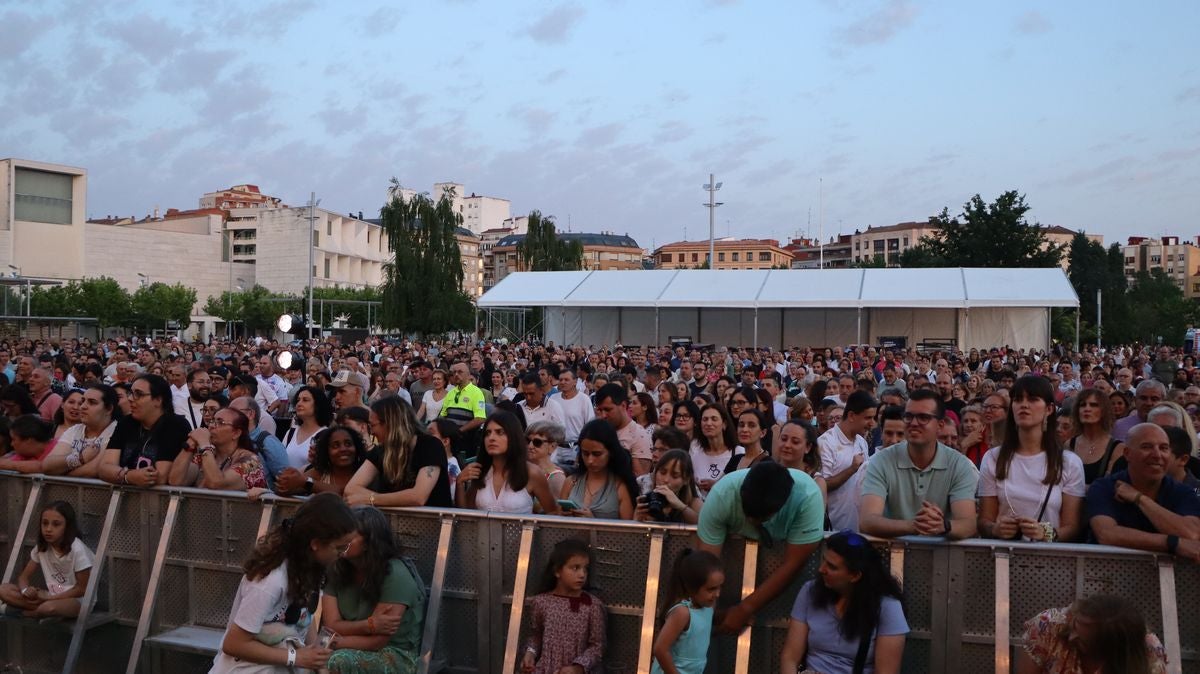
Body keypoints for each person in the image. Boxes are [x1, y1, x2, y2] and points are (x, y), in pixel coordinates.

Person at [209, 493, 355, 673]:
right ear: (316, 543)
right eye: (340, 547)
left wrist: (319, 662)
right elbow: (234, 644)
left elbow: (304, 617)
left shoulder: (310, 567)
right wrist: (296, 657)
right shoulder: (270, 581)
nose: (344, 553)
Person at [696, 462, 824, 634]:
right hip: (731, 575)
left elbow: (793, 565)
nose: (750, 521)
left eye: (760, 517)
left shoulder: (808, 497)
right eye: (746, 513)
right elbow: (706, 566)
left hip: (785, 595)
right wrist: (706, 619)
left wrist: (744, 609)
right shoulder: (722, 495)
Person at [778, 531, 908, 674]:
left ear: (855, 576)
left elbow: (886, 671)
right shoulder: (810, 591)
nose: (821, 569)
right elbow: (790, 657)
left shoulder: (887, 606)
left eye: (832, 567)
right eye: (824, 560)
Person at [858, 389, 979, 539]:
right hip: (893, 550)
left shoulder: (959, 464)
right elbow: (867, 521)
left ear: (940, 425)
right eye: (908, 417)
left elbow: (968, 524)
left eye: (923, 417)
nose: (914, 423)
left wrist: (943, 526)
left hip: (941, 551)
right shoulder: (881, 461)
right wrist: (915, 526)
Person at [978, 376, 1086, 543]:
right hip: (1003, 553)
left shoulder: (1069, 463)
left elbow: (1072, 527)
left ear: (1049, 409)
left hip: (1049, 555)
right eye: (1018, 399)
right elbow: (985, 520)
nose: (1024, 405)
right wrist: (995, 529)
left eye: (1033, 399)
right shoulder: (993, 458)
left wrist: (1045, 533)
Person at [322, 507, 426, 674]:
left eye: (349, 535)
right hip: (345, 644)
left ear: (369, 542)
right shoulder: (337, 567)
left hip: (395, 653)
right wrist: (370, 625)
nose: (341, 539)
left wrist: (334, 643)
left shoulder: (395, 573)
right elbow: (331, 625)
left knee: (335, 660)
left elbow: (377, 641)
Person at [1085, 422, 1200, 559]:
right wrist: (1172, 542)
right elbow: (1107, 534)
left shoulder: (1183, 492)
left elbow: (1191, 534)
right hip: (1107, 570)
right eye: (1147, 447)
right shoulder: (1104, 487)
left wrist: (1140, 499)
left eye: (1164, 448)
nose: (1157, 454)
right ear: (1127, 453)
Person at [1017, 594, 1167, 674]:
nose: (1071, 637)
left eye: (1083, 641)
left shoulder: (1150, 653)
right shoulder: (1048, 626)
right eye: (1074, 625)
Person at [344, 396, 452, 508]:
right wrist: (386, 499)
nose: (371, 432)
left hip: (431, 518)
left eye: (373, 425)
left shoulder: (430, 446)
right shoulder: (380, 450)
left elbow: (418, 497)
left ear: (390, 423)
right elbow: (350, 490)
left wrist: (370, 499)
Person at [521, 539, 606, 674]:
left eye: (585, 569)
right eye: (575, 568)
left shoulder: (592, 605)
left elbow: (597, 646)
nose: (582, 574)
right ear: (557, 571)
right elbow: (536, 635)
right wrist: (530, 653)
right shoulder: (541, 602)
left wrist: (577, 668)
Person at [0, 501, 94, 618]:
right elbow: (23, 577)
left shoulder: (77, 549)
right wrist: (26, 591)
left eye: (56, 524)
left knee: (48, 608)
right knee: (3, 590)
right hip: (49, 596)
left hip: (76, 600)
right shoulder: (42, 547)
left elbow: (82, 589)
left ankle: (21, 612)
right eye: (45, 523)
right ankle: (41, 613)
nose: (48, 529)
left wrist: (48, 598)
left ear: (67, 526)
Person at [456, 410, 559, 514]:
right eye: (488, 433)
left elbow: (552, 514)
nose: (491, 438)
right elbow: (466, 515)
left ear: (513, 436)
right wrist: (459, 483)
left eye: (500, 432)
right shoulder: (480, 471)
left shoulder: (532, 473)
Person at [98, 374, 190, 487]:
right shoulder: (126, 423)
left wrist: (119, 474)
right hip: (123, 496)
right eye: (131, 393)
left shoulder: (176, 425)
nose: (130, 398)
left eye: (138, 394)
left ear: (158, 400)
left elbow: (160, 476)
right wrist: (128, 476)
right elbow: (104, 468)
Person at [650, 550, 723, 674]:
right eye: (711, 589)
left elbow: (702, 625)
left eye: (720, 587)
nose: (717, 594)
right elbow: (660, 649)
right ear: (691, 587)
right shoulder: (682, 613)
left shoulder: (708, 606)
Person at [818, 391, 878, 532]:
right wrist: (851, 469)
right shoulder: (825, 442)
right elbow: (821, 485)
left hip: (860, 529)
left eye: (873, 418)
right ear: (851, 415)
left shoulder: (861, 442)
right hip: (834, 530)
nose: (872, 423)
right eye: (868, 418)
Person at [170, 408, 268, 491]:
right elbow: (175, 481)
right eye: (212, 421)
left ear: (236, 433)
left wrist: (205, 445)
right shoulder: (203, 455)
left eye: (220, 422)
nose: (211, 426)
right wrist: (190, 444)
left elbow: (216, 483)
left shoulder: (251, 463)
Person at [560, 419, 639, 520]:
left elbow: (627, 527)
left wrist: (593, 522)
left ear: (610, 452)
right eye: (585, 453)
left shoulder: (620, 487)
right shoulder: (571, 482)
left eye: (597, 454)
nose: (590, 460)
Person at [263, 426, 368, 500]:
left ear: (357, 447)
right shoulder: (319, 472)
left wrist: (305, 482)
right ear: (326, 452)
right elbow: (281, 490)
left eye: (348, 444)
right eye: (335, 446)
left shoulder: (365, 471)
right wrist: (288, 480)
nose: (343, 449)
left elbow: (344, 492)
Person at [43, 384, 120, 478]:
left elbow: (93, 470)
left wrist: (62, 473)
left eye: (92, 402)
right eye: (83, 401)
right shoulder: (75, 430)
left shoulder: (116, 430)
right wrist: (80, 458)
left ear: (109, 409)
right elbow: (47, 465)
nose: (83, 406)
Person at [592, 383, 653, 476]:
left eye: (608, 410)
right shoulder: (597, 431)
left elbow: (640, 477)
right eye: (600, 410)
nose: (603, 415)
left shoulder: (639, 435)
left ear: (623, 406)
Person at [1069, 388, 1124, 484]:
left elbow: (1110, 485)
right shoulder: (1069, 444)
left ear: (1104, 411)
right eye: (1083, 405)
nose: (1087, 409)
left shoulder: (1117, 448)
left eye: (1094, 405)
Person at [634, 448, 703, 524]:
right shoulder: (649, 501)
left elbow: (704, 525)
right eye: (662, 473)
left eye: (675, 476)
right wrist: (637, 519)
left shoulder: (694, 503)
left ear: (686, 480)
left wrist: (681, 506)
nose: (666, 480)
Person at [689, 404, 740, 496]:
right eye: (705, 419)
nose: (708, 423)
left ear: (724, 424)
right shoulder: (694, 452)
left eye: (714, 419)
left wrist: (717, 485)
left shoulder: (738, 453)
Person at [281, 386, 333, 471]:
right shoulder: (291, 432)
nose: (299, 404)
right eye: (298, 400)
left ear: (317, 405)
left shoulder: (326, 435)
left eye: (305, 400)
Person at [525, 420, 568, 500]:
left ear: (552, 447)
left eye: (537, 442)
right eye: (527, 440)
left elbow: (557, 507)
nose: (530, 446)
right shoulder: (521, 468)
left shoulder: (556, 478)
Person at [729, 409, 770, 473]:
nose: (744, 430)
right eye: (741, 425)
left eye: (751, 426)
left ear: (763, 433)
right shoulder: (735, 459)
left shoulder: (768, 464)